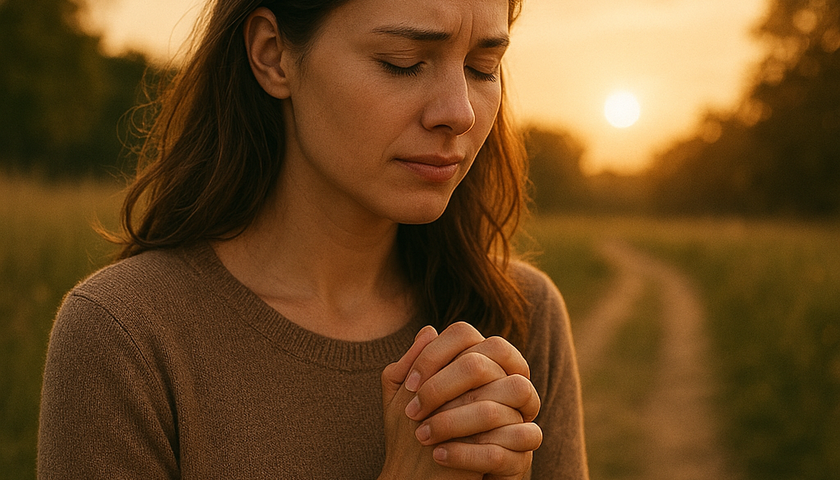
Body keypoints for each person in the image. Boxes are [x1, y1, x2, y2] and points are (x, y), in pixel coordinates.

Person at [38, 0, 588, 478]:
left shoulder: (521, 314)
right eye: (402, 63)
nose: (458, 113)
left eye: (482, 67)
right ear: (273, 54)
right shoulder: (126, 335)